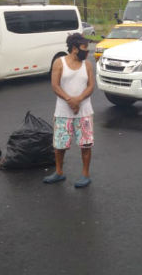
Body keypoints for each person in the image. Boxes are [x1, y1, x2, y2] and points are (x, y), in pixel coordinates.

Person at [43, 33, 95, 188]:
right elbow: (55, 86)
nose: (87, 52)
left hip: (84, 112)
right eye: (84, 48)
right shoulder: (59, 63)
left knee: (86, 145)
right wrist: (69, 100)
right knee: (60, 145)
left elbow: (91, 86)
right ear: (74, 48)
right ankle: (59, 172)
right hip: (63, 112)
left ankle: (85, 175)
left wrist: (78, 99)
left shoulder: (87, 65)